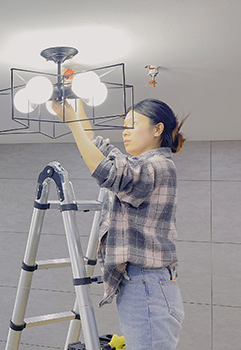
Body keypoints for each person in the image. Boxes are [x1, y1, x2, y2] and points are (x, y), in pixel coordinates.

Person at [53, 98, 187, 350]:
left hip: (147, 284)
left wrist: (72, 123)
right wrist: (76, 100)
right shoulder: (142, 166)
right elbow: (96, 146)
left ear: (157, 130)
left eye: (133, 125)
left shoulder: (158, 166)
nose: (124, 131)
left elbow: (105, 171)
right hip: (145, 283)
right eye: (124, 125)